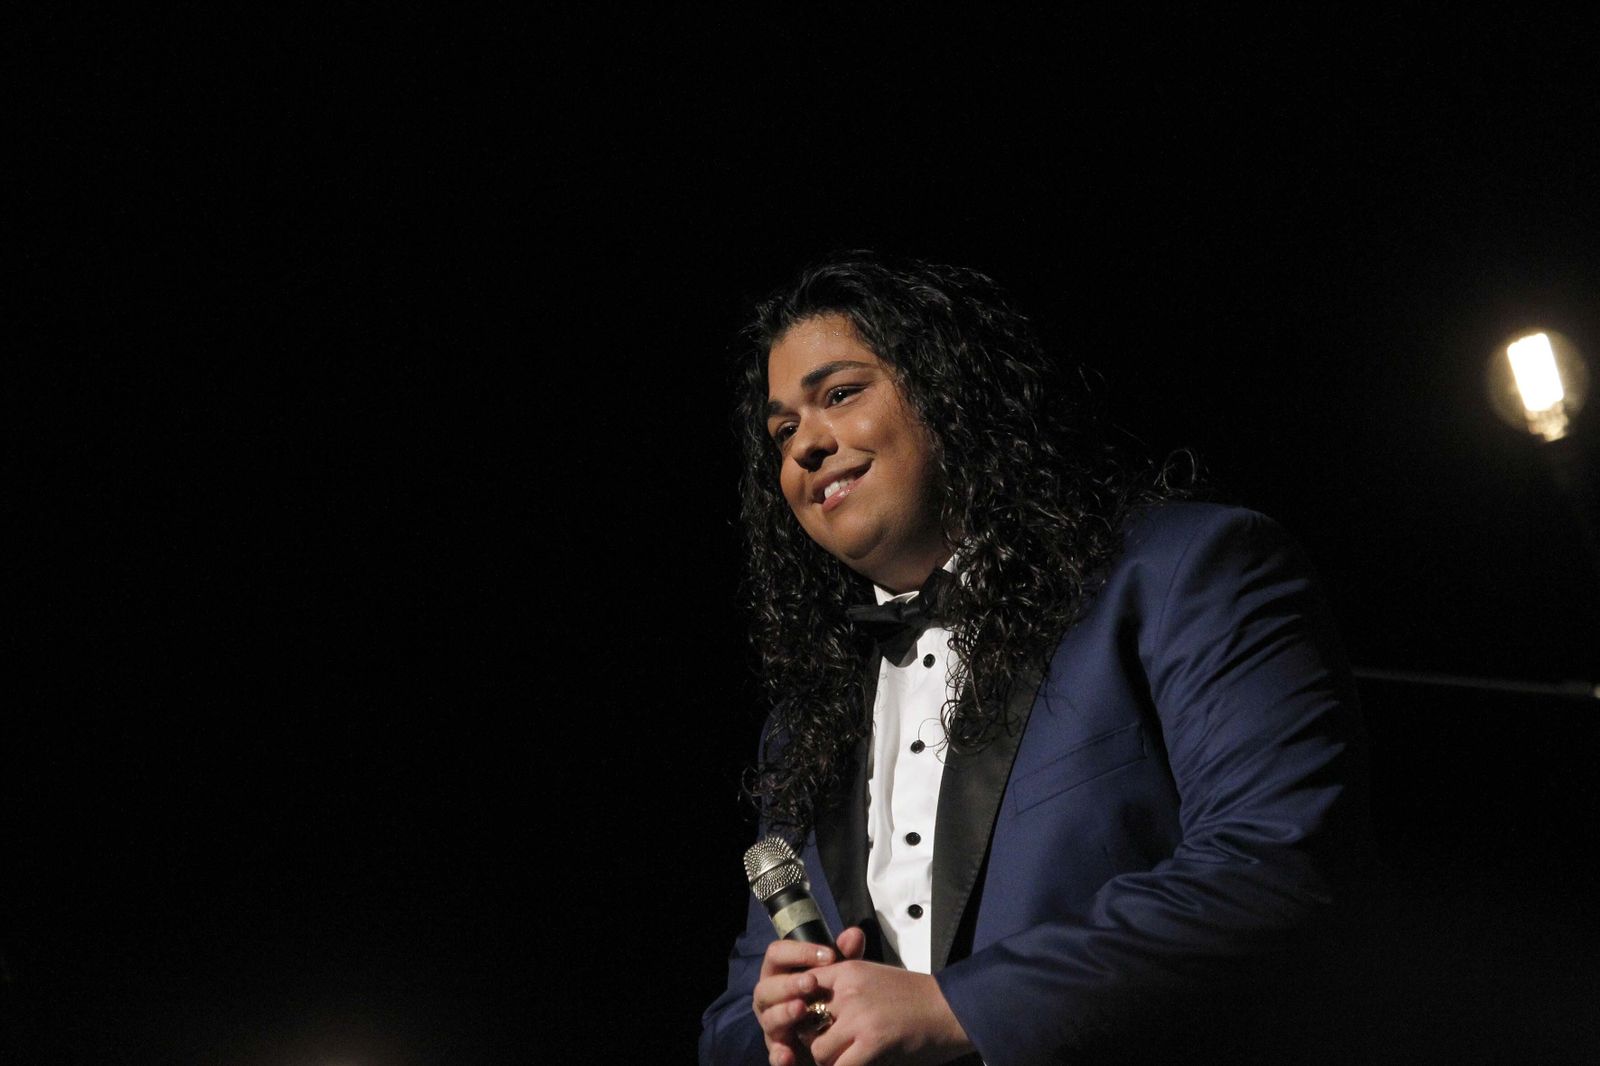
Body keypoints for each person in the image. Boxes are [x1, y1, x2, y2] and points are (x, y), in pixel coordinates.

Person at [700, 252, 1371, 1066]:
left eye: (840, 394)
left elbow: (1277, 865)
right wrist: (769, 1027)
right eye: (782, 431)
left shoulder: (1182, 572)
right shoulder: (805, 723)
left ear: (951, 392)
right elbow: (732, 1022)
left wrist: (959, 1008)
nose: (806, 444)